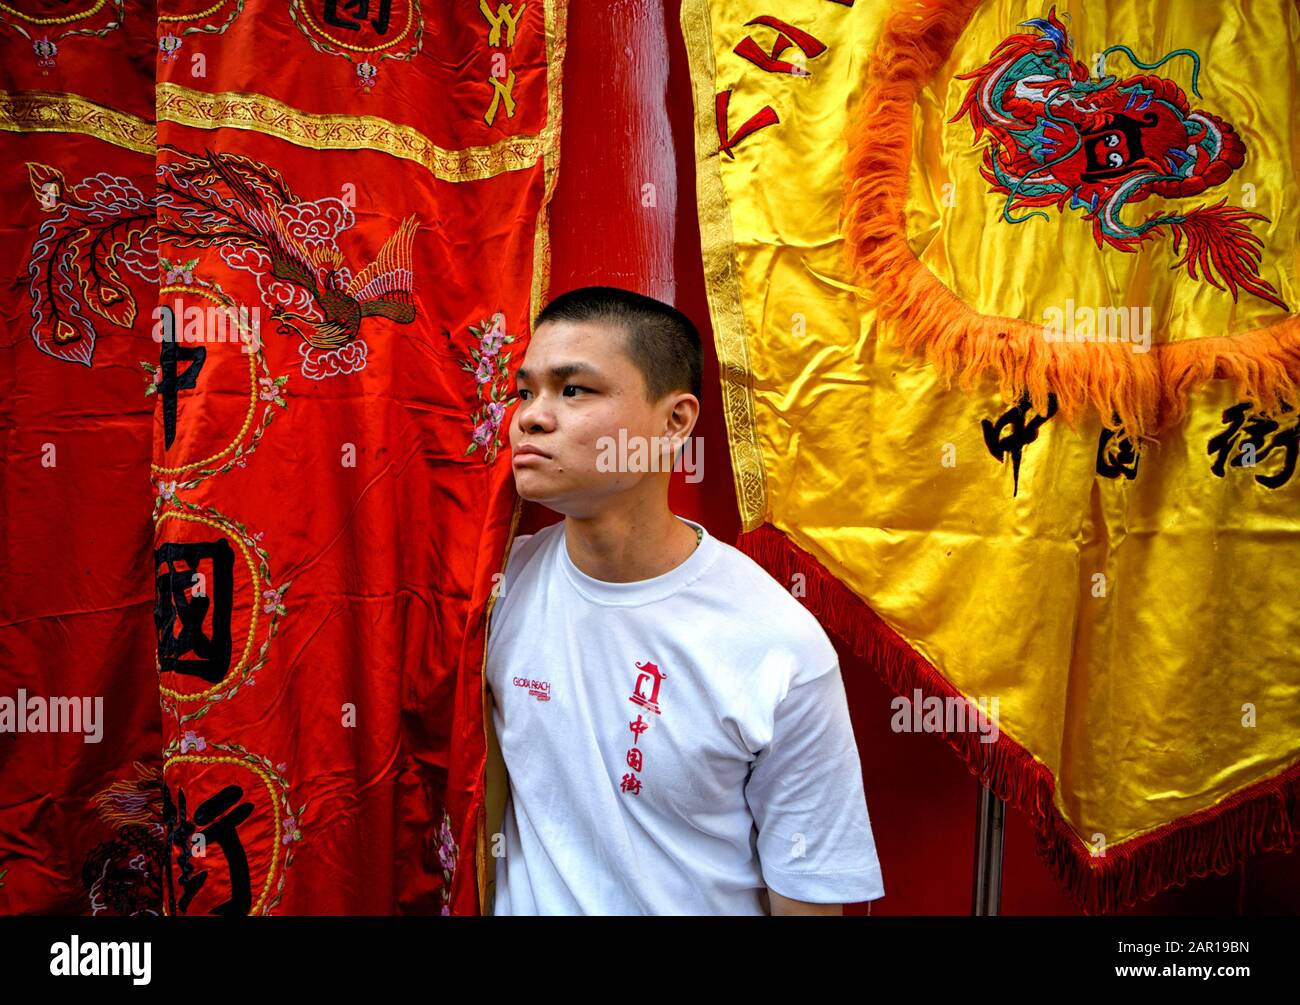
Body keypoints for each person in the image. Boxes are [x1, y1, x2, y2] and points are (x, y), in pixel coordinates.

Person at [484, 285, 884, 915]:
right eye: (524, 391)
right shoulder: (496, 591)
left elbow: (808, 899)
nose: (531, 417)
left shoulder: (777, 646)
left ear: (674, 423)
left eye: (574, 389)